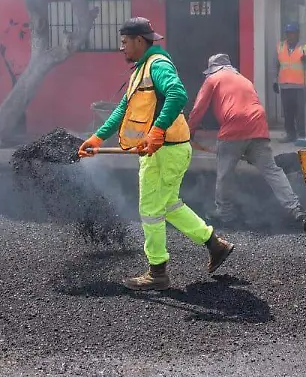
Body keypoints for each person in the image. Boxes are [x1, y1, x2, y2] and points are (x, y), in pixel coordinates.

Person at [79, 17, 235, 291]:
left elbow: (178, 94)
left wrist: (158, 130)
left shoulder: (158, 65)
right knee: (169, 204)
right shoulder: (141, 70)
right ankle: (214, 244)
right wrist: (98, 137)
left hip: (165, 150)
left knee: (150, 210)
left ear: (140, 40)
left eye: (125, 42)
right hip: (166, 150)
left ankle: (158, 272)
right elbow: (122, 110)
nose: (121, 48)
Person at [188, 53, 305, 227]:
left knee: (225, 173)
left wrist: (188, 131)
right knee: (272, 170)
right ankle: (295, 208)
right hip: (258, 125)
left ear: (213, 69)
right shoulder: (244, 80)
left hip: (234, 127)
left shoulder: (213, 79)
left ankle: (224, 213)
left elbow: (199, 108)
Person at [274, 22, 306, 144]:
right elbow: (277, 65)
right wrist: (275, 81)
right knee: (287, 112)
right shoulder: (280, 46)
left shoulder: (304, 47)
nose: (290, 36)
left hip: (300, 85)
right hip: (285, 85)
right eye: (288, 33)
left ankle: (301, 135)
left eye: (293, 33)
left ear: (297, 34)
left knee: (300, 112)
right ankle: (290, 134)